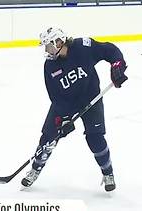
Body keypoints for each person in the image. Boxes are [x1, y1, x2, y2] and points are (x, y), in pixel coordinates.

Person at [21, 27, 128, 192]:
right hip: (66, 103)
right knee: (49, 136)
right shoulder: (49, 66)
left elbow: (110, 50)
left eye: (49, 45)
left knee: (95, 137)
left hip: (91, 99)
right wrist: (63, 119)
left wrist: (117, 65)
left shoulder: (83, 47)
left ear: (59, 42)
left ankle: (108, 173)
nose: (47, 50)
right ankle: (35, 169)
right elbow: (56, 97)